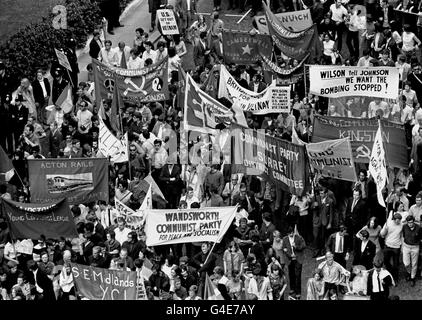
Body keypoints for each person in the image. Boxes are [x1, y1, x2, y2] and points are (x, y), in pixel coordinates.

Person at [282, 226, 305, 299]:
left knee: (298, 275)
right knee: (291, 274)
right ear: (287, 234)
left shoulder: (298, 237)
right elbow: (284, 248)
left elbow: (304, 246)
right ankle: (292, 288)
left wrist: (296, 247)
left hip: (298, 258)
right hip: (290, 259)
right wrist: (289, 254)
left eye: (292, 233)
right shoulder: (285, 239)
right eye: (289, 233)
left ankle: (298, 291)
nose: (291, 234)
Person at [380, 212, 403, 282]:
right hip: (388, 246)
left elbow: (402, 236)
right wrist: (385, 229)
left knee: (396, 264)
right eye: (397, 220)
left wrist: (401, 246)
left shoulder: (401, 225)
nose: (398, 221)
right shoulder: (388, 223)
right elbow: (382, 234)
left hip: (396, 247)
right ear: (394, 219)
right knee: (386, 261)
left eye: (399, 220)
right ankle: (390, 273)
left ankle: (395, 278)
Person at [402, 215, 422, 286]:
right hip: (406, 247)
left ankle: (412, 278)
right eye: (408, 223)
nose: (410, 224)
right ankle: (409, 272)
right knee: (406, 263)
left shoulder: (419, 228)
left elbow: (420, 237)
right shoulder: (404, 227)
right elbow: (404, 235)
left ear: (414, 221)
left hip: (415, 247)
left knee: (414, 263)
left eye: (411, 222)